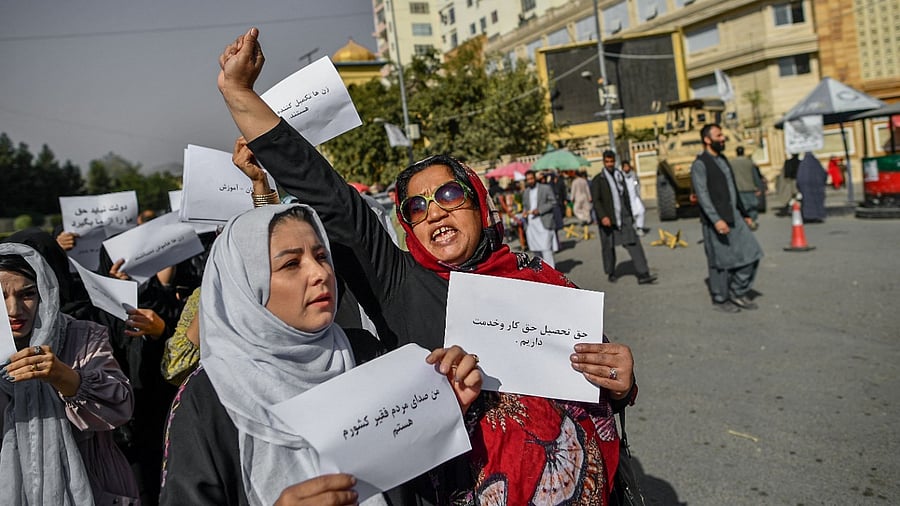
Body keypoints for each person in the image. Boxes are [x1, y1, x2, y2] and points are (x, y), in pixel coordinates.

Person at [217, 27, 637, 505]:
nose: (434, 211)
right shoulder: (400, 283)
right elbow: (326, 193)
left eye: (449, 194)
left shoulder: (540, 278)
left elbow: (599, 375)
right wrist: (239, 93)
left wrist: (623, 381)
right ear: (406, 226)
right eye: (415, 207)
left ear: (479, 203)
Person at [158, 204, 481, 506]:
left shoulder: (365, 353)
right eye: (291, 263)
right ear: (246, 284)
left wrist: (443, 407)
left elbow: (413, 476)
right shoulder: (209, 398)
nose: (319, 273)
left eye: (321, 255)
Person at [0, 243, 139, 505]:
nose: (14, 310)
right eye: (1, 297)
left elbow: (120, 407)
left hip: (92, 483)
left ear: (45, 292)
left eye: (27, 294)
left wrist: (64, 377)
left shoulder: (84, 335)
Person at [690, 124, 764, 313]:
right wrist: (716, 220)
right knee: (720, 262)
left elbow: (733, 190)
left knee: (752, 253)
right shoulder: (700, 164)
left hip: (735, 217)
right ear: (707, 140)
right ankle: (721, 299)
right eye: (719, 135)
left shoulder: (723, 159)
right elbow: (703, 195)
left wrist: (745, 214)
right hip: (716, 221)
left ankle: (737, 291)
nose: (723, 138)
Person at [590, 150, 657, 285]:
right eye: (607, 162)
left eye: (611, 161)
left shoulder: (619, 176)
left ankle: (643, 274)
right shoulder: (598, 179)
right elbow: (596, 201)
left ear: (615, 162)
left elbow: (626, 196)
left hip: (623, 216)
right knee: (608, 247)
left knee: (634, 244)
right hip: (608, 219)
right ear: (603, 162)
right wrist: (603, 217)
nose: (609, 164)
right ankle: (611, 272)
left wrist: (630, 215)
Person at [521, 169, 559, 268]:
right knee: (536, 252)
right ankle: (541, 274)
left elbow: (553, 202)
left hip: (544, 223)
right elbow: (525, 206)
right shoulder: (526, 192)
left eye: (531, 178)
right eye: (528, 179)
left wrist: (540, 210)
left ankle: (552, 274)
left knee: (546, 250)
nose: (530, 181)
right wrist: (524, 212)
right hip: (531, 225)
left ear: (535, 178)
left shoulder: (545, 188)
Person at [730, 146, 763, 229]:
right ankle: (752, 221)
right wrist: (758, 187)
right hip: (750, 187)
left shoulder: (731, 163)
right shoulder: (749, 162)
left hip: (738, 189)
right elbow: (755, 176)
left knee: (742, 207)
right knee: (752, 206)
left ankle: (744, 222)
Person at [796, 152, 827, 223]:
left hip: (806, 188)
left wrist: (799, 187)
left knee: (807, 202)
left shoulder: (803, 165)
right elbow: (823, 174)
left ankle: (808, 216)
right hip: (817, 186)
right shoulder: (816, 163)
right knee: (817, 202)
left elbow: (799, 177)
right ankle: (818, 216)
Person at [620, 159, 647, 235]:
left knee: (641, 211)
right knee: (629, 214)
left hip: (635, 197)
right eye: (624, 166)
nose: (626, 168)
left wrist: (638, 194)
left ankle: (639, 227)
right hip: (626, 199)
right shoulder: (621, 176)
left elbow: (637, 184)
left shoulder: (634, 175)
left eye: (627, 166)